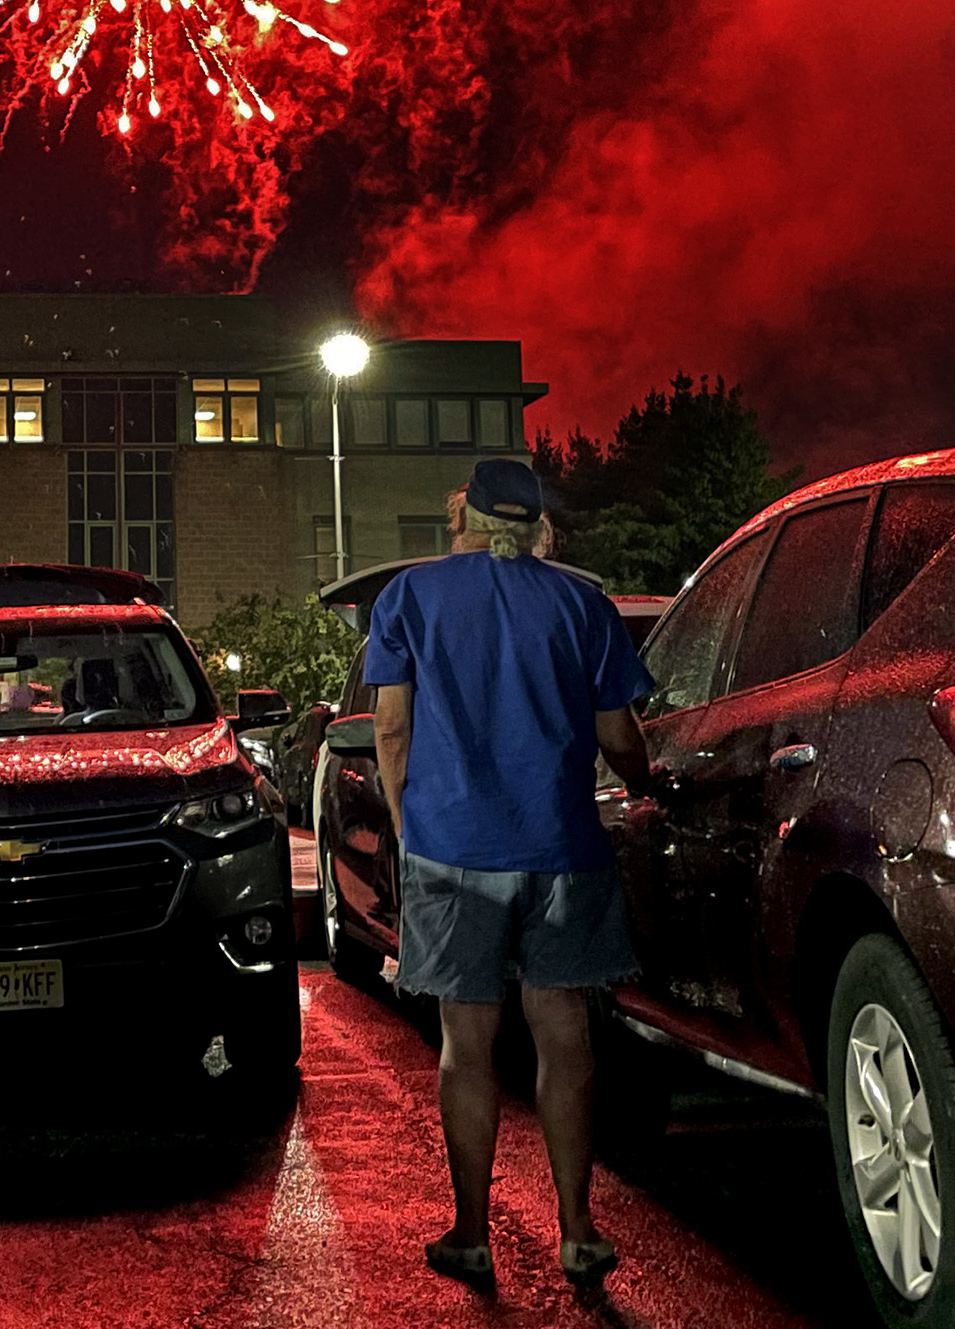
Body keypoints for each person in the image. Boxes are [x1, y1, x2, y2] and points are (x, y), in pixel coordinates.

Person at [366, 457, 659, 1294]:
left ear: (460, 516)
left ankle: (469, 1233)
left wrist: (406, 817)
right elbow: (621, 735)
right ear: (535, 524)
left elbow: (392, 730)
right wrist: (647, 788)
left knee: (468, 1044)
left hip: (452, 851)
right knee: (564, 1036)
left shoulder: (410, 598)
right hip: (562, 848)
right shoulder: (581, 603)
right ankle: (578, 1229)